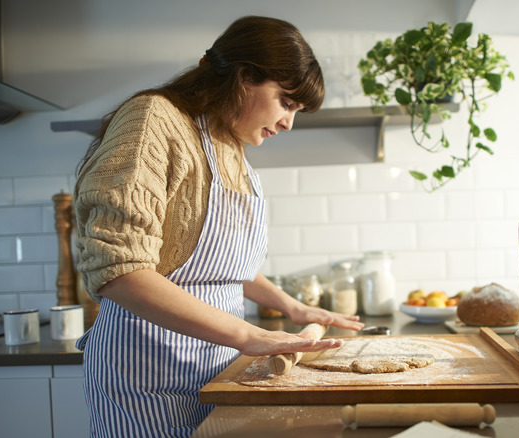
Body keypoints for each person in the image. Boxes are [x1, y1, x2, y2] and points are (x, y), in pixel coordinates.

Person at [73, 16, 364, 438]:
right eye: (286, 102)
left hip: (219, 373)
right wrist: (246, 334)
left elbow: (218, 265)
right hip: (147, 379)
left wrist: (292, 308)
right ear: (245, 77)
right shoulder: (155, 121)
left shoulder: (230, 145)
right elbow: (119, 269)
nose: (288, 123)